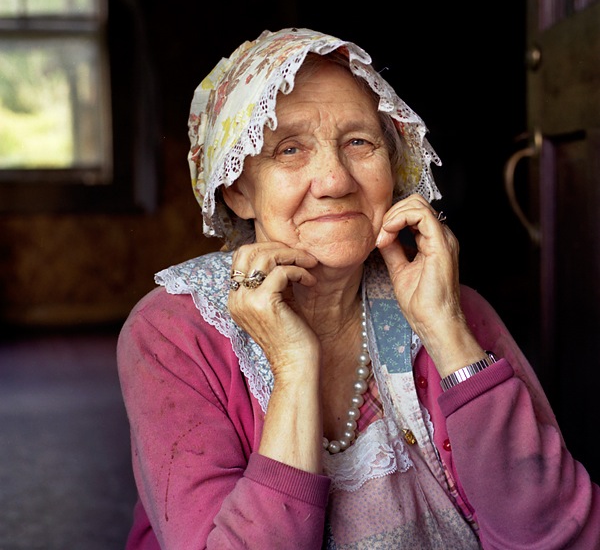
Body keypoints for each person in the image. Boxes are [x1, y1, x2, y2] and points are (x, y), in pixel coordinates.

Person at [117, 27, 600, 549]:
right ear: (238, 191)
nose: (335, 179)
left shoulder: (445, 303)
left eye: (358, 142)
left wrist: (445, 329)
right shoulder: (173, 333)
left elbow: (554, 533)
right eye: (290, 149)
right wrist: (295, 367)